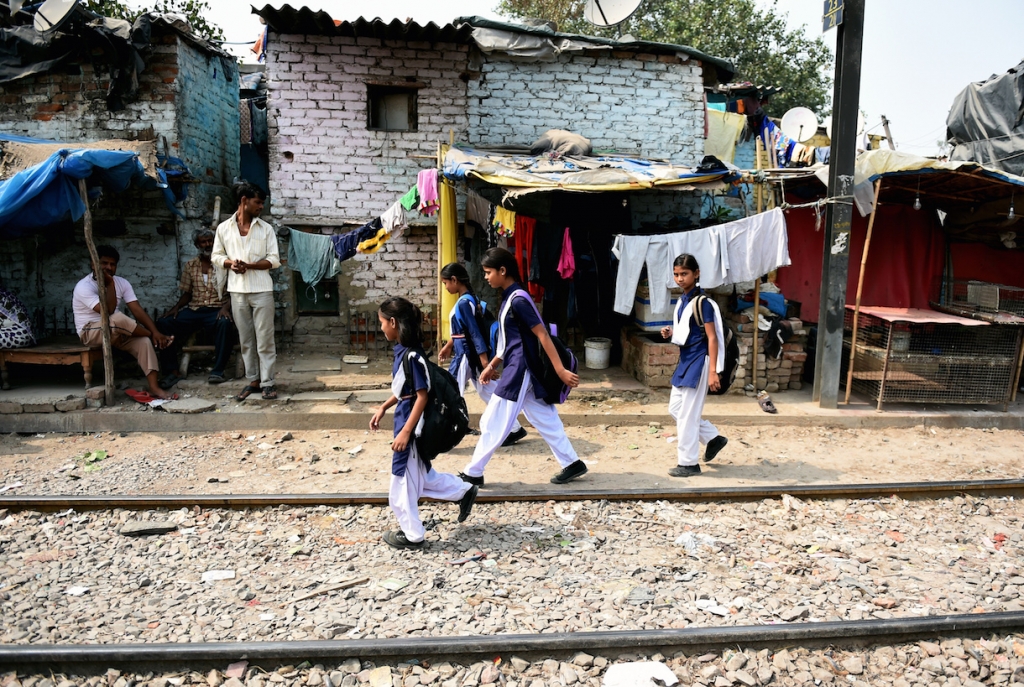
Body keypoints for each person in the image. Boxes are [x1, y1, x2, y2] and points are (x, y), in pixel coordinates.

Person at [460, 247, 586, 487]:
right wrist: (494, 364)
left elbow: (543, 335)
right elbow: (509, 339)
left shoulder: (518, 299)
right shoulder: (511, 296)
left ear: (502, 270)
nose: (486, 277)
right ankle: (572, 463)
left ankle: (473, 472)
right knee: (544, 417)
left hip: (520, 370)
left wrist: (560, 370)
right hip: (520, 367)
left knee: (493, 421)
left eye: (488, 272)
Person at [370, 296, 478, 550]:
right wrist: (384, 407)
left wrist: (406, 432)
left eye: (382, 322)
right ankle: (464, 491)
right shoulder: (407, 354)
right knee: (423, 477)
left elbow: (422, 395)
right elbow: (403, 389)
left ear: (393, 322)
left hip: (411, 428)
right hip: (407, 424)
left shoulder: (412, 357)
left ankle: (413, 535)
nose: (381, 327)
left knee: (401, 484)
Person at [437, 262, 526, 446]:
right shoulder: (472, 299)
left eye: (446, 283)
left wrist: (486, 364)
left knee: (449, 392)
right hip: (473, 356)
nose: (445, 287)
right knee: (488, 391)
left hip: (465, 356)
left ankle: (447, 431)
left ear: (454, 280)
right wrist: (449, 346)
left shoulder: (463, 303)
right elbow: (468, 331)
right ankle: (514, 428)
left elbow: (475, 333)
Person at [72, 244, 176, 400]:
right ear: (93, 264)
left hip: (116, 331)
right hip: (90, 332)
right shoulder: (83, 286)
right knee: (117, 319)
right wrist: (110, 285)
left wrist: (154, 332)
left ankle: (154, 387)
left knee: (143, 342)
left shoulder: (123, 282)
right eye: (104, 263)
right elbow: (108, 312)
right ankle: (156, 337)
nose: (108, 267)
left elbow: (137, 310)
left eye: (112, 264)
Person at [660, 253, 729, 477]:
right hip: (686, 360)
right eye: (676, 274)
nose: (680, 278)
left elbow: (712, 337)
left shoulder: (703, 303)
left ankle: (688, 463)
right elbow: (687, 330)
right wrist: (671, 332)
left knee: (688, 415)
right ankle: (712, 437)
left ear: (696, 274)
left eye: (684, 274)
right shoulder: (683, 301)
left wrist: (713, 372)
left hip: (700, 360)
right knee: (676, 409)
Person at [212, 181, 281, 401]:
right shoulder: (224, 228)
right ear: (244, 201)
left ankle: (268, 382)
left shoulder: (266, 229)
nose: (261, 207)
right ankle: (253, 380)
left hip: (262, 290)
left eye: (262, 203)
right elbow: (216, 256)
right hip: (237, 291)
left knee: (265, 338)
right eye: (257, 202)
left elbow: (274, 260)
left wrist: (249, 266)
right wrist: (230, 263)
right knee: (246, 339)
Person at [156, 229, 235, 387]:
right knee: (164, 323)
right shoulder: (191, 265)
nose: (208, 245)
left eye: (210, 241)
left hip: (217, 309)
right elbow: (188, 293)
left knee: (225, 324)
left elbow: (236, 291)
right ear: (197, 245)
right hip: (195, 310)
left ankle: (218, 371)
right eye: (203, 242)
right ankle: (172, 371)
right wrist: (176, 307)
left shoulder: (225, 264)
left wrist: (226, 307)